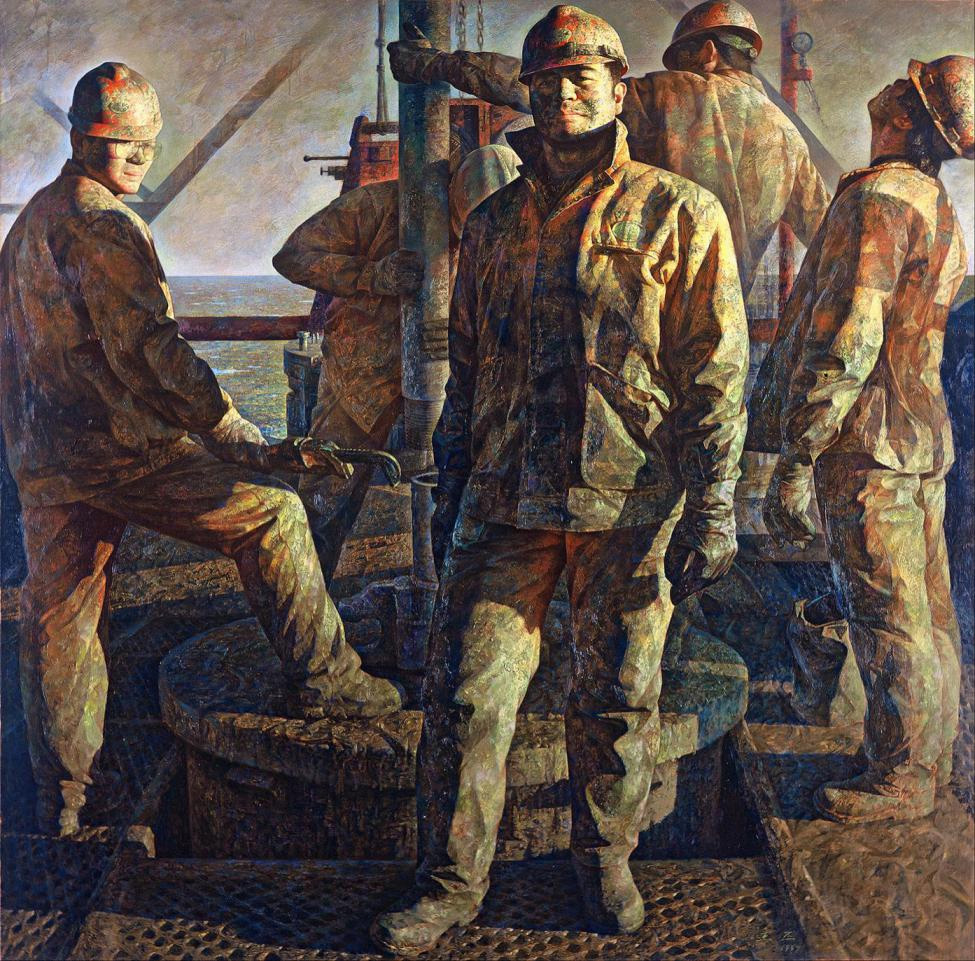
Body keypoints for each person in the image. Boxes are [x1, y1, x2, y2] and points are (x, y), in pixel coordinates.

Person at [370, 7, 748, 955]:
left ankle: (603, 862)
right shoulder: (493, 222)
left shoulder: (680, 211)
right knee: (465, 699)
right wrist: (452, 486)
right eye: (545, 80)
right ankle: (450, 883)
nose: (562, 93)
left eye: (582, 77)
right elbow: (465, 367)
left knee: (615, 698)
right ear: (528, 94)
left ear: (619, 90)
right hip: (505, 499)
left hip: (629, 501)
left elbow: (715, 371)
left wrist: (713, 503)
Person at [0, 62, 402, 838]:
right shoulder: (103, 225)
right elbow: (151, 352)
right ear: (81, 139)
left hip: (46, 454)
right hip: (118, 450)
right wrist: (234, 434)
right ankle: (329, 683)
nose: (136, 158)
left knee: (61, 615)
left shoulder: (32, 222)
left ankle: (68, 800)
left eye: (145, 144)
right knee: (273, 515)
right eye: (119, 142)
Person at [756, 56, 973, 823]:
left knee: (886, 614)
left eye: (906, 89)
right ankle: (922, 761)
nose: (886, 86)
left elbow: (848, 337)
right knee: (925, 613)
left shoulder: (877, 199)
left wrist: (799, 451)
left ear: (908, 118)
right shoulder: (931, 201)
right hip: (917, 437)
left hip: (867, 441)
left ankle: (901, 777)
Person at [386, 0, 830, 297]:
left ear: (709, 52)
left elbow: (552, 87)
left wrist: (435, 64)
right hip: (718, 312)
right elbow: (829, 244)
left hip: (636, 299)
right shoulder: (790, 141)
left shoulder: (676, 92)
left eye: (682, 59)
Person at [273, 143, 519, 584]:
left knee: (465, 502)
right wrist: (371, 276)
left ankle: (447, 604)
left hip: (454, 384)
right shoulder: (378, 206)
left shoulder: (511, 226)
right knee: (326, 499)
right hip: (362, 381)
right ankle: (303, 604)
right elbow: (293, 256)